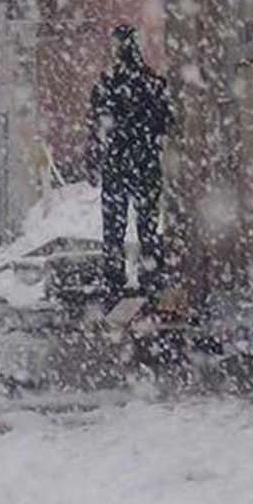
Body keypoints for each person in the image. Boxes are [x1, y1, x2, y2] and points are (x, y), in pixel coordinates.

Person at [88, 24, 174, 300]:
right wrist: (146, 135)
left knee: (114, 226)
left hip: (117, 162)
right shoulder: (153, 82)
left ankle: (114, 278)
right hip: (145, 161)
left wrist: (99, 151)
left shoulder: (107, 84)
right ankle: (151, 277)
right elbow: (166, 122)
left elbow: (97, 124)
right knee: (147, 224)